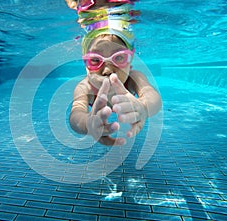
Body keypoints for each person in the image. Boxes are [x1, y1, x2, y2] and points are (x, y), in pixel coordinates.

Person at [67, 0, 162, 146]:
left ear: (130, 61)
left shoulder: (133, 78)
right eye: (95, 60)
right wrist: (88, 124)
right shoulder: (84, 87)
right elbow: (75, 115)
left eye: (118, 58)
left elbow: (152, 96)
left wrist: (143, 108)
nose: (107, 70)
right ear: (85, 65)